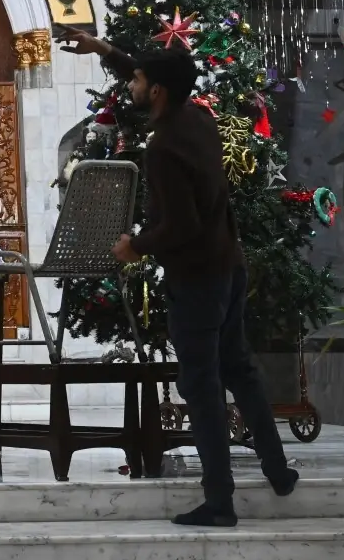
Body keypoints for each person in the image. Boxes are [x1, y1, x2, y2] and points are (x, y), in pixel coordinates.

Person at [64, 31, 298, 527]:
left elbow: (181, 225)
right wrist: (103, 49)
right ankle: (278, 470)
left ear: (158, 92)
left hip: (197, 279)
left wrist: (136, 245)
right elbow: (146, 71)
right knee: (240, 370)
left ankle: (219, 501)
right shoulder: (198, 120)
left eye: (140, 80)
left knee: (202, 387)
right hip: (229, 266)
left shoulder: (165, 147)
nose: (133, 84)